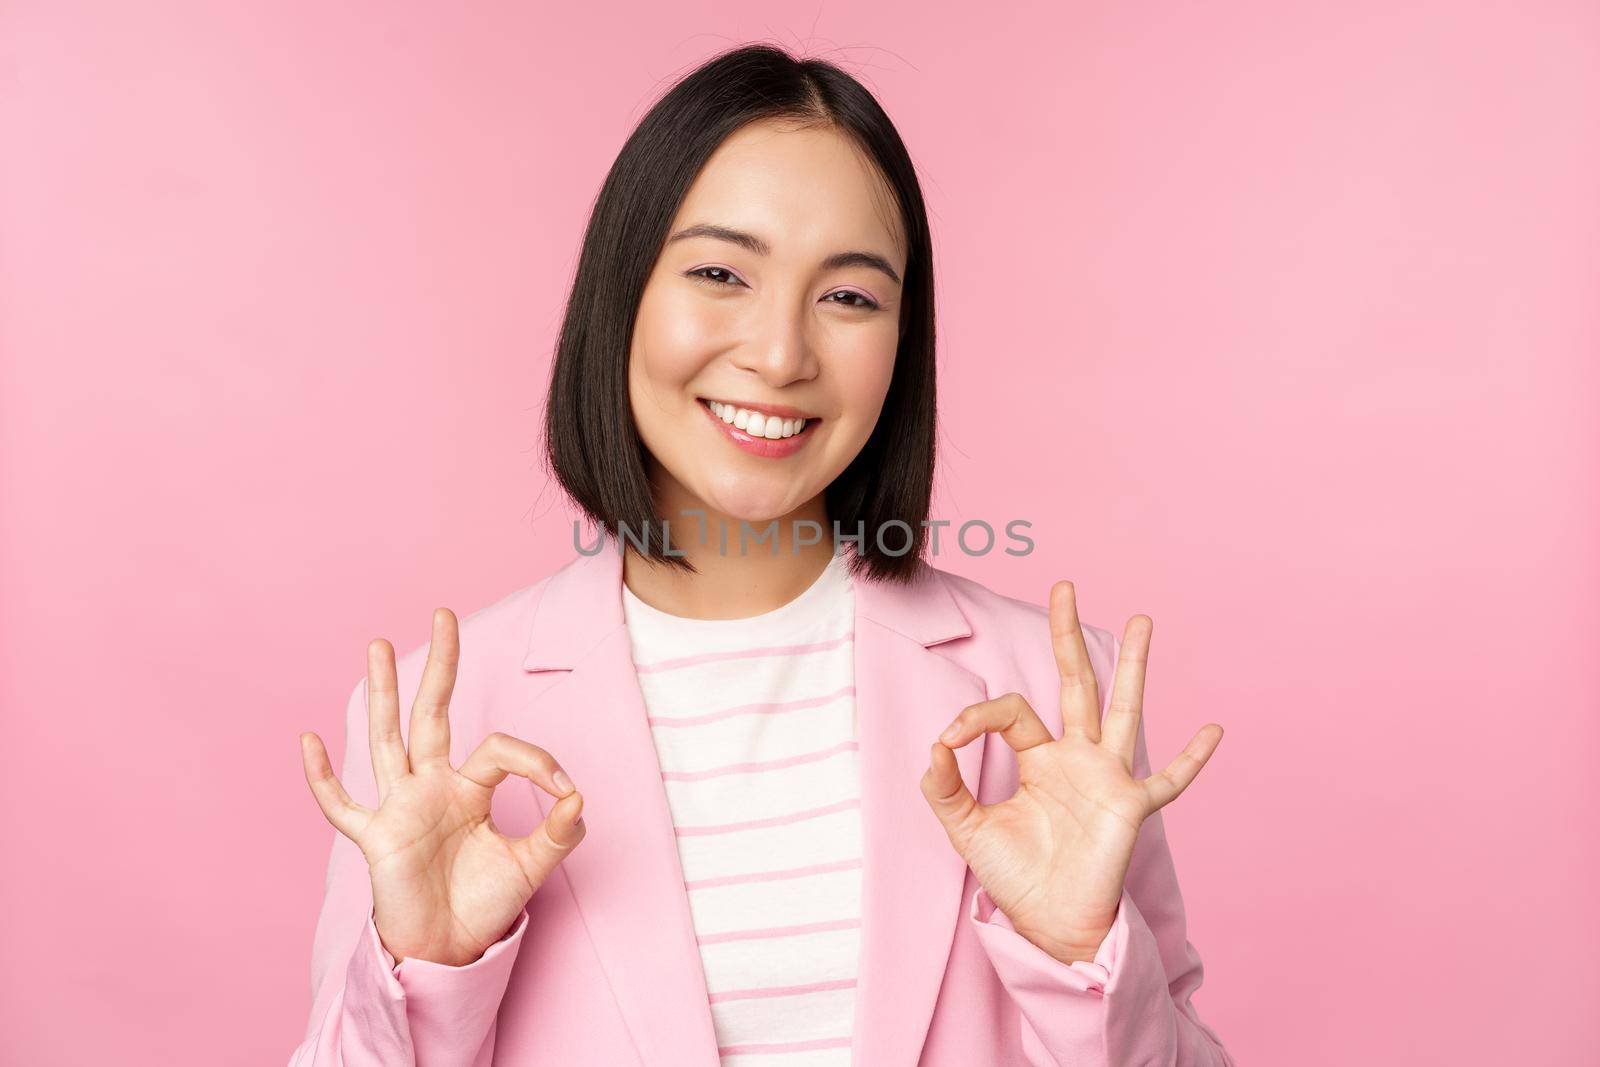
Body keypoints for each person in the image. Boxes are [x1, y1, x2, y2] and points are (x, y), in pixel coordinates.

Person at [290, 43, 1233, 1067]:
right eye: (719, 273)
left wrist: (1079, 956)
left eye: (850, 297)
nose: (780, 354)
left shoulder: (1053, 698)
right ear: (622, 294)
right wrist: (424, 972)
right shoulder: (442, 711)